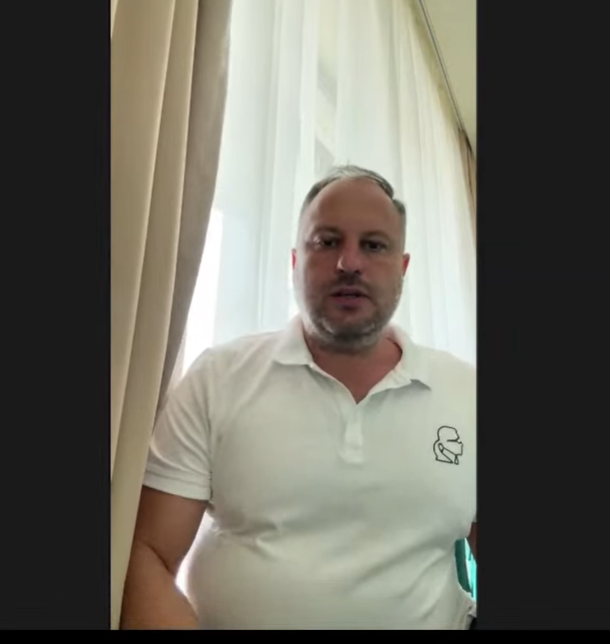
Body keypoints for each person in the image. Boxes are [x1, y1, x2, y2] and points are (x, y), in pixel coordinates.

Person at [120, 166, 477, 630]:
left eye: (374, 245)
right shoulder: (218, 378)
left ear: (402, 268)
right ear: (294, 261)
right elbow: (148, 553)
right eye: (327, 241)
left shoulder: (466, 394)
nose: (349, 262)